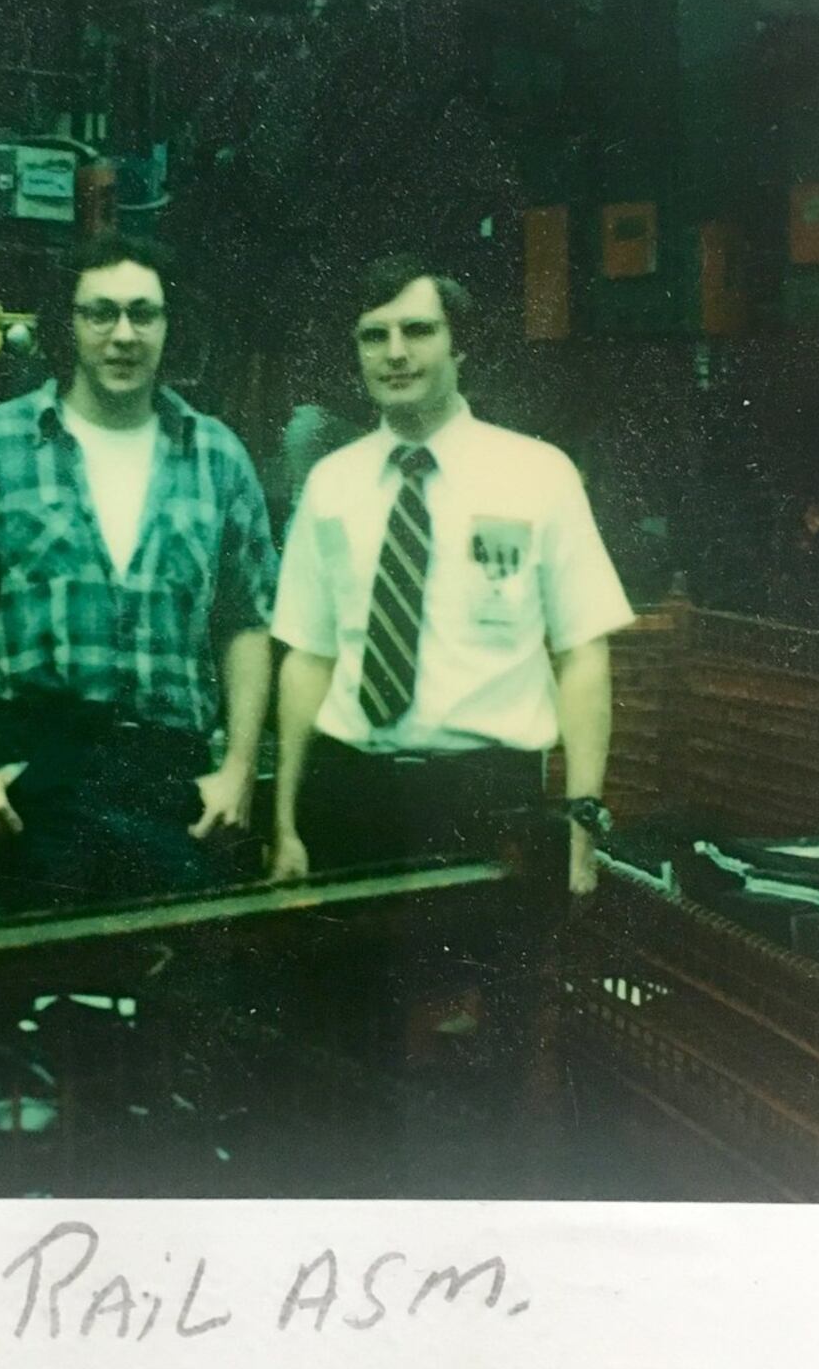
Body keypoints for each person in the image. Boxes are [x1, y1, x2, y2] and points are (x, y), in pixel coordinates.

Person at [0, 233, 277, 907]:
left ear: (170, 325)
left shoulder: (217, 455)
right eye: (101, 313)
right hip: (26, 782)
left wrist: (236, 769)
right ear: (69, 324)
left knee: (171, 1002)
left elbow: (250, 621)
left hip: (171, 790)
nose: (124, 334)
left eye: (144, 313)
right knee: (20, 998)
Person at [270, 255, 633, 898]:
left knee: (485, 992)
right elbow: (307, 658)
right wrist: (287, 823)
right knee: (342, 996)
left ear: (460, 346)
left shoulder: (538, 475)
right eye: (374, 336)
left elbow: (583, 659)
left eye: (418, 331)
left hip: (484, 797)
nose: (396, 353)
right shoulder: (331, 485)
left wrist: (581, 823)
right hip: (349, 794)